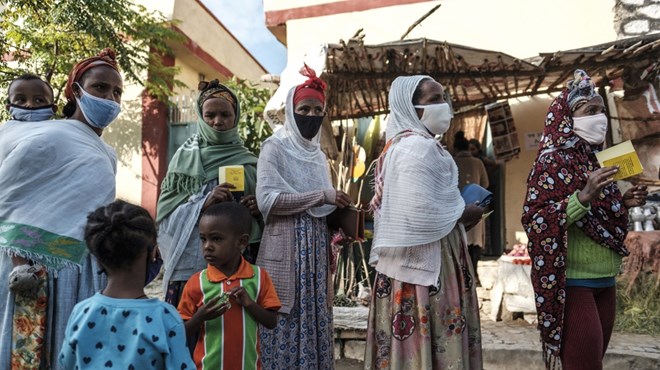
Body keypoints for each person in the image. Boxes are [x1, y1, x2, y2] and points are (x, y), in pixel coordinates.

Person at [0, 48, 121, 369]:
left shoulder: (108, 153)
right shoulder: (47, 134)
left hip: (82, 267)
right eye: (100, 88)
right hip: (29, 265)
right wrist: (19, 258)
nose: (110, 97)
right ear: (75, 91)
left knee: (68, 352)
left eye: (116, 92)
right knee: (24, 353)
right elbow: (9, 190)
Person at [521, 69, 648, 370]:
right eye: (589, 111)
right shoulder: (550, 163)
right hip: (573, 284)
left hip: (606, 281)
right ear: (566, 118)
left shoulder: (594, 158)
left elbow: (598, 218)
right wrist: (582, 196)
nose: (599, 118)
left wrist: (623, 203)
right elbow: (536, 221)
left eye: (601, 110)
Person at [365, 75, 484, 369]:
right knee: (436, 342)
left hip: (402, 270)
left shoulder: (395, 146)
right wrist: (462, 213)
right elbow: (419, 213)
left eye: (443, 98)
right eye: (434, 100)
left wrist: (452, 212)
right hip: (427, 270)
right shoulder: (418, 148)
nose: (443, 106)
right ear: (411, 107)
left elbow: (415, 210)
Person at [256, 65, 351, 369]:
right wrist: (322, 196)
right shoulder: (274, 148)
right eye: (304, 108)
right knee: (283, 317)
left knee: (315, 317)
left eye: (317, 109)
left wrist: (341, 212)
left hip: (315, 252)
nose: (311, 115)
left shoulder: (317, 155)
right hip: (285, 248)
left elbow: (322, 207)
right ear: (290, 110)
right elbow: (268, 201)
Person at [157, 79, 262, 308]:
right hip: (192, 273)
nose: (218, 122)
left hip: (239, 268)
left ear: (236, 116)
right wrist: (202, 203)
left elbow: (265, 222)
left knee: (232, 334)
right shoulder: (184, 161)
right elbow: (165, 219)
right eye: (210, 115)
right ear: (200, 117)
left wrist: (258, 209)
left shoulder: (250, 163)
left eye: (225, 114)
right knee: (191, 336)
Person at [59, 200, 195, 369]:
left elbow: (66, 364)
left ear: (98, 258)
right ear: (152, 251)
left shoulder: (81, 312)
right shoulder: (165, 317)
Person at [177, 202, 280, 369]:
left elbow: (271, 322)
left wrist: (249, 304)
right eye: (203, 239)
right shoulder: (196, 283)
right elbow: (179, 333)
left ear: (242, 242)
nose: (207, 246)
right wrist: (200, 317)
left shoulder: (259, 277)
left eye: (216, 239)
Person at [454, 131, 489, 286]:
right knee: (475, 241)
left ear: (455, 148)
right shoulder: (477, 163)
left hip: (455, 208)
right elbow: (485, 184)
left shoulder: (451, 161)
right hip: (474, 206)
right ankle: (474, 275)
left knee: (458, 241)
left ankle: (459, 276)